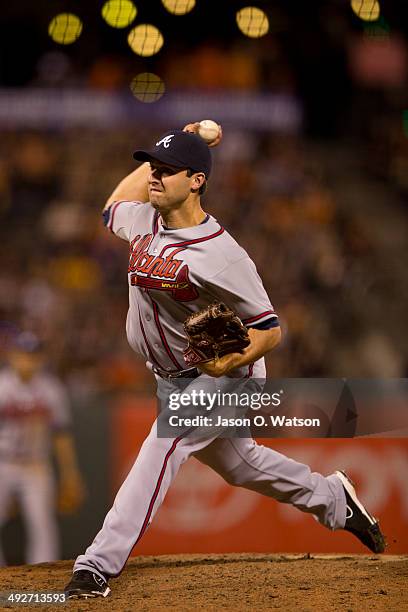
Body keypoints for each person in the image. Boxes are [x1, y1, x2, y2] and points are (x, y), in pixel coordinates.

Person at [64, 124, 385, 599]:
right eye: (153, 166)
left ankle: (96, 565)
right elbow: (111, 206)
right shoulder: (142, 221)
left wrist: (234, 358)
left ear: (197, 180)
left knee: (164, 442)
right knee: (242, 465)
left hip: (228, 376)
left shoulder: (223, 255)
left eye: (167, 170)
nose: (154, 175)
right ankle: (334, 499)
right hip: (173, 378)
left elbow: (270, 329)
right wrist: (182, 136)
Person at [0, 331, 85, 565]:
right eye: (23, 354)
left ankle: (41, 578)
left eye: (33, 355)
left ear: (40, 358)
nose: (28, 360)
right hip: (3, 463)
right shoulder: (2, 385)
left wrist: (70, 474)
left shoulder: (51, 389)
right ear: (12, 355)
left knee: (42, 524)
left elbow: (61, 434)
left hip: (36, 466)